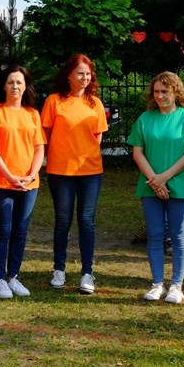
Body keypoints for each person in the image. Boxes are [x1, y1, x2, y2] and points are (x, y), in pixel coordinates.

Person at [127, 73, 184, 304]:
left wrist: (164, 178)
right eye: (156, 91)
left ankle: (176, 285)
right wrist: (155, 180)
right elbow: (137, 152)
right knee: (154, 234)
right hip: (150, 185)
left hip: (179, 184)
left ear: (176, 92)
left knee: (179, 235)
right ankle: (157, 283)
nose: (160, 96)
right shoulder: (145, 118)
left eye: (165, 91)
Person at [41, 54, 108, 294]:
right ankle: (59, 269)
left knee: (87, 221)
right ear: (69, 75)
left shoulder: (95, 103)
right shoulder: (54, 101)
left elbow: (98, 137)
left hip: (90, 172)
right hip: (60, 171)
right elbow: (46, 135)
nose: (84, 77)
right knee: (63, 220)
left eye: (88, 74)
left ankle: (87, 273)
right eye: (80, 73)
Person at [0, 66, 46, 299]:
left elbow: (39, 149)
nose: (15, 86)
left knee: (20, 230)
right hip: (1, 182)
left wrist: (31, 175)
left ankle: (13, 276)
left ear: (25, 86)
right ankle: (0, 278)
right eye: (11, 82)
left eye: (19, 82)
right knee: (4, 230)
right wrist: (10, 176)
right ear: (4, 86)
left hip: (29, 184)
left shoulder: (33, 114)